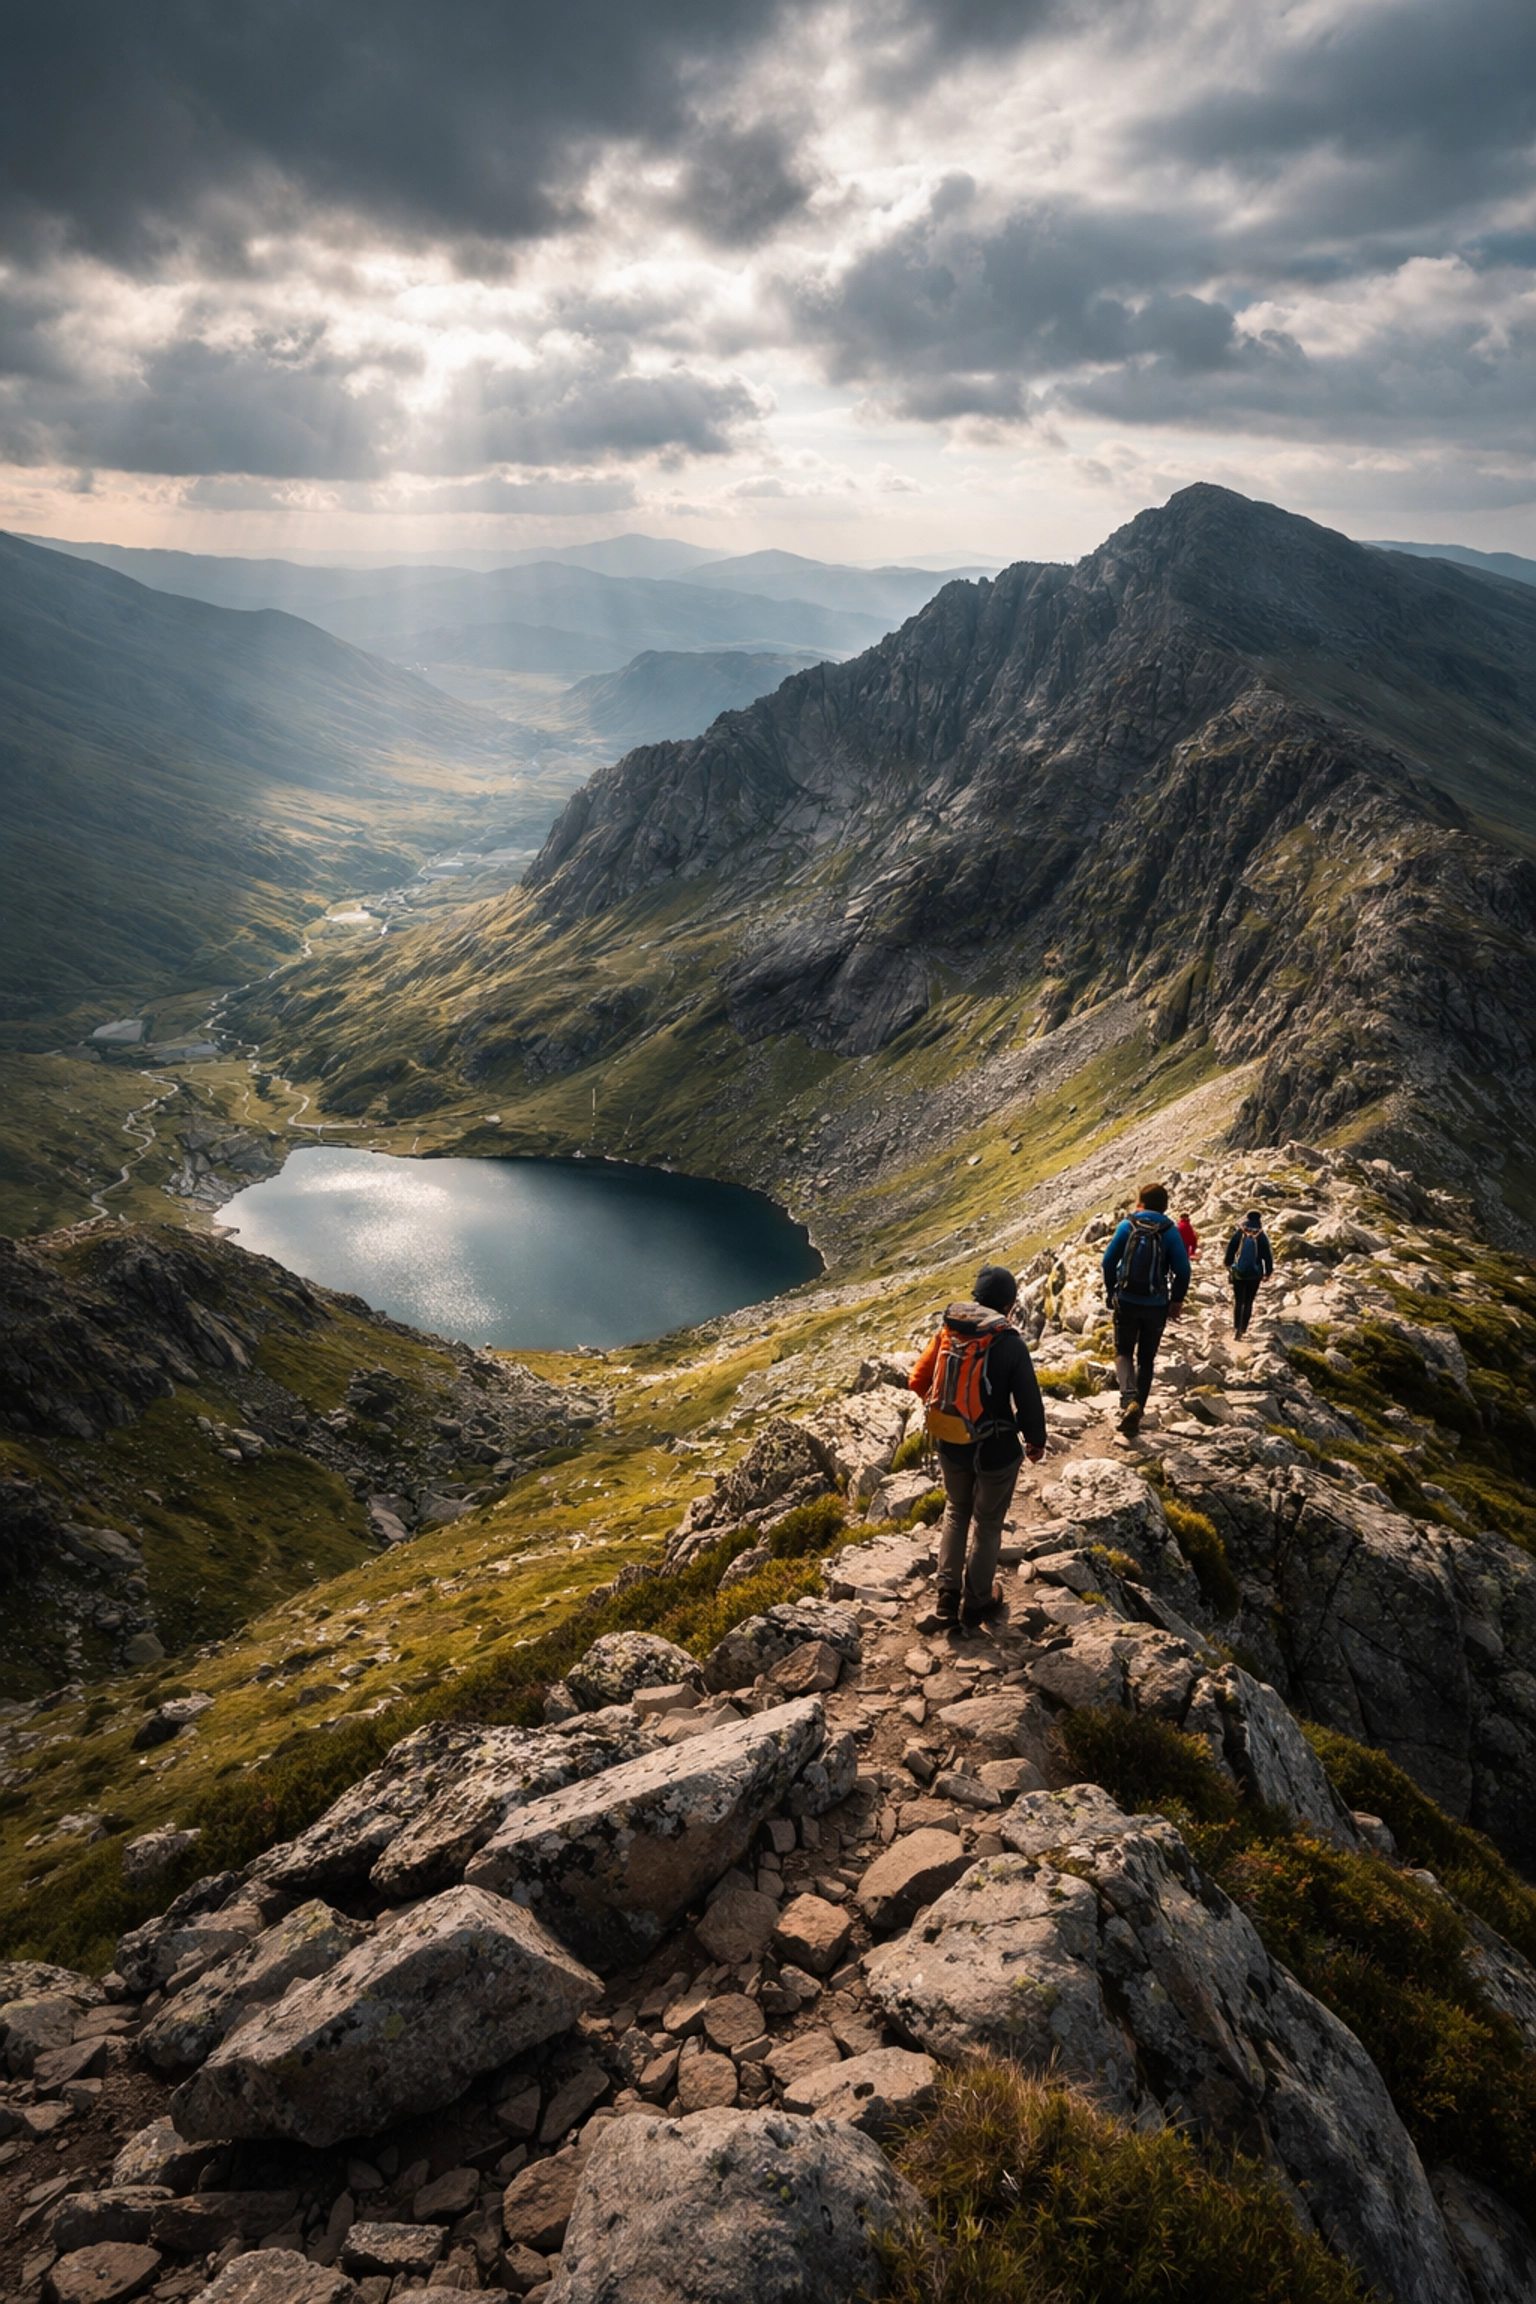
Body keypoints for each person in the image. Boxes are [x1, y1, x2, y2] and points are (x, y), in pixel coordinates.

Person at [909, 1264, 1047, 1628]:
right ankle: (978, 1602)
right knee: (987, 1523)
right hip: (996, 1450)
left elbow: (916, 1380)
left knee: (956, 1510)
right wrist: (1035, 1441)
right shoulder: (1010, 1341)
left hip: (951, 1442)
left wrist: (952, 1414)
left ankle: (946, 1596)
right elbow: (1029, 1401)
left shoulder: (949, 1331)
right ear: (1009, 1304)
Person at [1101, 1182, 1191, 1437]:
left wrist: (1111, 1292)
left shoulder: (1127, 1226)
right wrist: (1176, 1301)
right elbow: (1183, 1270)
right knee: (1146, 1359)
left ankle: (1127, 1396)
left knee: (1123, 1351)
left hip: (1127, 1300)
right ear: (1165, 1207)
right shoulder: (1170, 1231)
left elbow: (1108, 1262)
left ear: (1139, 1203)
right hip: (1156, 1304)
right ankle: (1137, 1408)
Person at [1224, 1209, 1274, 1339]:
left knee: (1239, 1300)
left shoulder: (1241, 1232)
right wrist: (1267, 1272)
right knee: (1248, 1301)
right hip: (1255, 1275)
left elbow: (1231, 1249)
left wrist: (1228, 1264)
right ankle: (1243, 1328)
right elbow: (1267, 1256)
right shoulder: (1261, 1236)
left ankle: (1236, 1327)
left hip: (1239, 1274)